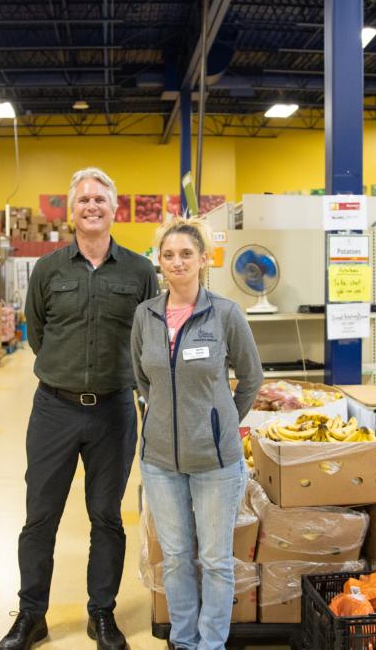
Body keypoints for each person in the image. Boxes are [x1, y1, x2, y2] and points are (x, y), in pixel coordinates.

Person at [0, 167, 159, 650]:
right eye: (83, 200)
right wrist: (66, 373)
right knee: (40, 515)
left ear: (115, 209)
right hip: (55, 409)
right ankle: (31, 615)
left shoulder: (139, 272)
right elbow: (38, 331)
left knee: (106, 516)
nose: (92, 206)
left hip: (114, 411)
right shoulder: (49, 270)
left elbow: (148, 338)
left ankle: (102, 614)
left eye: (100, 199)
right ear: (72, 212)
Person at [131, 218, 263, 650]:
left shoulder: (225, 313)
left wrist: (220, 421)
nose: (177, 261)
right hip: (160, 463)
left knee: (215, 560)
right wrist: (163, 424)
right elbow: (143, 381)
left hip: (216, 462)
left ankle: (211, 644)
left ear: (204, 260)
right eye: (168, 254)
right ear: (159, 262)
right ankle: (183, 641)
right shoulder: (145, 316)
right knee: (175, 559)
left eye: (187, 253)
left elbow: (251, 377)